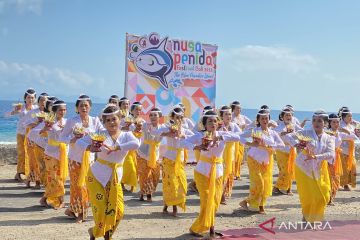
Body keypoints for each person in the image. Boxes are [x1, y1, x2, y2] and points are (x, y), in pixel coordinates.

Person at [76, 105, 140, 240]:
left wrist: (117, 147)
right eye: (108, 120)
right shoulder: (100, 135)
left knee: (118, 212)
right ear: (103, 123)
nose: (112, 122)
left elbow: (136, 144)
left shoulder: (127, 135)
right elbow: (79, 142)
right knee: (100, 209)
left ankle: (94, 232)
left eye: (114, 119)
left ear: (120, 119)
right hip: (96, 176)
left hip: (116, 178)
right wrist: (90, 147)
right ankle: (105, 236)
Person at [180, 110, 240, 238]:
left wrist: (222, 137)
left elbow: (239, 136)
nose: (213, 123)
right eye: (209, 121)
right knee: (207, 200)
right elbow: (183, 142)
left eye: (214, 120)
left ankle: (209, 228)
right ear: (205, 124)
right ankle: (200, 228)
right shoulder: (200, 135)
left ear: (218, 122)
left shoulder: (222, 134)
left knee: (215, 202)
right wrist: (197, 147)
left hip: (218, 172)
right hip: (202, 172)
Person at [284, 110, 334, 222]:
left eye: (320, 121)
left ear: (325, 123)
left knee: (324, 196)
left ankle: (309, 217)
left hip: (318, 168)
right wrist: (296, 144)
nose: (316, 123)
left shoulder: (329, 138)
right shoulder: (306, 132)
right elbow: (288, 137)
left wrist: (316, 156)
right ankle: (310, 218)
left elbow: (331, 154)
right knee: (310, 195)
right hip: (303, 167)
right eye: (314, 120)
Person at [59, 94, 103, 223]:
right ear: (77, 108)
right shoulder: (72, 121)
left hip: (90, 159)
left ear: (90, 107)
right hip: (74, 159)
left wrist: (98, 138)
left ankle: (75, 210)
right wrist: (73, 139)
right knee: (77, 186)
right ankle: (79, 212)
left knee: (87, 186)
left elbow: (102, 133)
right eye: (81, 105)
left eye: (86, 105)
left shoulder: (95, 121)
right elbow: (62, 137)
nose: (84, 107)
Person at [239, 109, 285, 214]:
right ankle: (248, 202)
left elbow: (281, 144)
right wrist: (251, 144)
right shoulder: (255, 131)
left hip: (266, 162)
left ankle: (260, 205)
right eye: (262, 118)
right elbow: (240, 137)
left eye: (266, 118)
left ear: (269, 120)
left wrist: (270, 146)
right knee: (259, 184)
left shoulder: (273, 133)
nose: (264, 120)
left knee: (266, 184)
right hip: (254, 160)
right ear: (258, 120)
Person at [152, 107, 193, 217]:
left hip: (179, 161)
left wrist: (184, 136)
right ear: (172, 118)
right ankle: (173, 208)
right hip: (169, 159)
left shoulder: (184, 130)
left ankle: (166, 205)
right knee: (171, 184)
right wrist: (167, 134)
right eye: (177, 117)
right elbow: (155, 132)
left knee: (182, 184)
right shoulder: (167, 127)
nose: (179, 120)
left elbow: (194, 137)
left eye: (181, 118)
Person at [38, 100, 68, 209]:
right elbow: (40, 133)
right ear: (55, 111)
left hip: (63, 152)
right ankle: (59, 201)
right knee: (55, 178)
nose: (63, 112)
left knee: (61, 177)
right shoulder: (50, 120)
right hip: (51, 153)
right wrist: (45, 128)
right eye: (60, 110)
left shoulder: (67, 122)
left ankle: (44, 198)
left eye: (64, 110)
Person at [326, 113, 358, 205]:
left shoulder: (340, 134)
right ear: (330, 123)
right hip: (326, 158)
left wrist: (346, 130)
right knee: (328, 178)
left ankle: (331, 197)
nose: (336, 124)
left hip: (336, 158)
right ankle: (327, 198)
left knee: (336, 179)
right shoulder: (325, 132)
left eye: (337, 122)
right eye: (334, 122)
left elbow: (354, 138)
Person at [273, 107, 303, 195]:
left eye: (290, 115)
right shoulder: (279, 126)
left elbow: (302, 131)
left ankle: (284, 188)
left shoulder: (294, 125)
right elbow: (275, 134)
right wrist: (285, 133)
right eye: (286, 115)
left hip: (292, 150)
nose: (289, 117)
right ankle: (281, 187)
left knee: (291, 170)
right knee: (285, 170)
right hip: (282, 151)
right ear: (282, 117)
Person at [137, 107, 163, 202]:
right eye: (151, 115)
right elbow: (138, 121)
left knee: (156, 176)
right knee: (145, 175)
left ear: (159, 116)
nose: (152, 117)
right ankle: (148, 195)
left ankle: (143, 192)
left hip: (155, 154)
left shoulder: (162, 128)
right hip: (144, 153)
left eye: (155, 115)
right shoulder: (145, 125)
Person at [23, 92, 49, 188]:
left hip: (44, 141)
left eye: (46, 100)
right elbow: (27, 124)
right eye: (42, 100)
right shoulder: (34, 113)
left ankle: (41, 181)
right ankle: (34, 180)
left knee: (43, 161)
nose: (44, 102)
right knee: (33, 161)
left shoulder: (49, 113)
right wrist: (38, 122)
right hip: (32, 139)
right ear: (38, 102)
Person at [12, 88, 37, 182]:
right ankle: (19, 173)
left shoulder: (35, 109)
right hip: (21, 133)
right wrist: (15, 111)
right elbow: (9, 114)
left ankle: (29, 173)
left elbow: (38, 119)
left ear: (35, 99)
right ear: (25, 98)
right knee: (21, 153)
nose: (30, 99)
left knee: (30, 154)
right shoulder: (21, 107)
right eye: (28, 97)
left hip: (31, 134)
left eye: (32, 98)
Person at [218, 105, 241, 204]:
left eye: (230, 114)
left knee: (228, 174)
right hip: (220, 153)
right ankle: (220, 195)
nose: (229, 116)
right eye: (226, 114)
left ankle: (224, 193)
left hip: (230, 154)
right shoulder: (218, 125)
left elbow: (240, 136)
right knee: (220, 175)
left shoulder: (234, 126)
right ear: (222, 116)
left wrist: (228, 135)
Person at [121, 101, 144, 192]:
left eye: (140, 110)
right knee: (127, 166)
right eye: (136, 109)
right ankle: (122, 184)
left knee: (136, 167)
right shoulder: (126, 119)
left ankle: (132, 186)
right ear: (132, 110)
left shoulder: (142, 121)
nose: (138, 111)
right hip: (128, 146)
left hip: (138, 147)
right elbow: (119, 128)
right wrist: (126, 128)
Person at [231, 101, 251, 180]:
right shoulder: (231, 117)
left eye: (240, 108)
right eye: (237, 108)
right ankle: (232, 173)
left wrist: (246, 126)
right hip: (234, 139)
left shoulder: (243, 117)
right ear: (233, 109)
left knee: (240, 156)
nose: (239, 110)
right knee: (234, 156)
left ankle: (237, 173)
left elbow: (251, 123)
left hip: (241, 138)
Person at [339, 108, 357, 191]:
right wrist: (350, 135)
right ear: (343, 117)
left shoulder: (351, 125)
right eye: (349, 116)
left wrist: (354, 124)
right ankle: (345, 184)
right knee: (344, 168)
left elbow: (357, 132)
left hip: (351, 149)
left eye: (351, 116)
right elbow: (340, 136)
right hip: (343, 149)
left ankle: (349, 183)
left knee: (352, 167)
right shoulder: (340, 125)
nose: (350, 118)